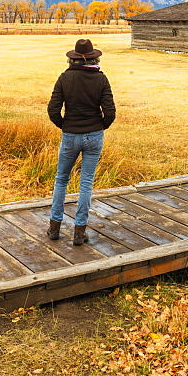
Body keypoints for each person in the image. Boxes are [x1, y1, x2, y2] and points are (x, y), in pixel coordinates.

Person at [46, 38, 116, 244]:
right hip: (94, 134)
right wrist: (100, 126)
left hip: (70, 135)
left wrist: (65, 125)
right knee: (86, 183)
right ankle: (79, 232)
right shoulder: (101, 79)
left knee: (61, 180)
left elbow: (53, 109)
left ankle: (54, 229)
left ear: (73, 59)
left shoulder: (64, 78)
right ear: (93, 57)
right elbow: (110, 112)